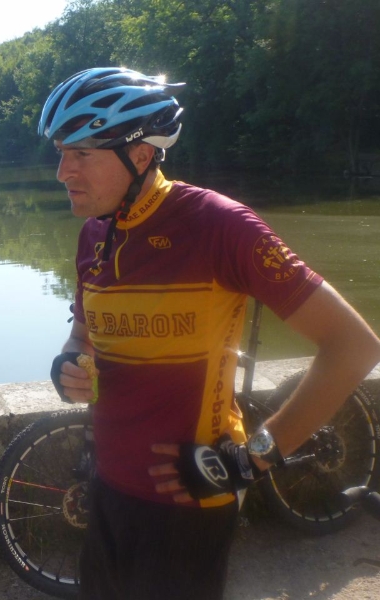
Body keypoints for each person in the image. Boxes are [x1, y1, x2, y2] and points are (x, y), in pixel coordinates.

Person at [44, 67, 380, 600]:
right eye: (61, 152)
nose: (63, 171)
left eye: (81, 153)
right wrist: (67, 365)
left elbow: (354, 347)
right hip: (106, 490)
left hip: (187, 506)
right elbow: (82, 338)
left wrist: (252, 459)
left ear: (141, 155)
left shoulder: (219, 225)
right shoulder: (94, 236)